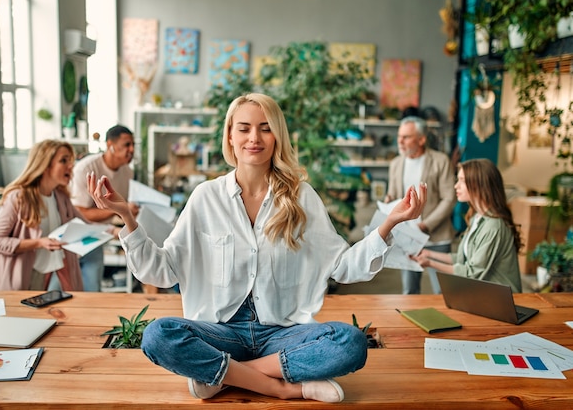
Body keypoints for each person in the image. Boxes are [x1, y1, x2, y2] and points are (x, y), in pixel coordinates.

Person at [86, 93, 427, 403]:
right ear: (230, 136)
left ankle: (227, 375)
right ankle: (284, 387)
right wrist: (126, 217)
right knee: (158, 336)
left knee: (350, 343)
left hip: (281, 333)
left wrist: (389, 224)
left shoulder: (301, 197)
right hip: (220, 331)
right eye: (245, 128)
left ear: (277, 136)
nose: (254, 138)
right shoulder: (206, 198)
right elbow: (161, 271)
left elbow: (342, 266)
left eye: (265, 128)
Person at [411, 158, 523, 293]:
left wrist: (430, 263)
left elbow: (471, 273)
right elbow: (461, 259)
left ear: (479, 185)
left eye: (462, 181)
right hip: (485, 296)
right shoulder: (477, 217)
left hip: (502, 301)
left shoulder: (493, 226)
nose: (455, 186)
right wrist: (428, 253)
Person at [0, 139, 84, 291]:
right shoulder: (19, 197)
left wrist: (116, 229)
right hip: (21, 278)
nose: (71, 166)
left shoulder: (60, 197)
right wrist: (39, 243)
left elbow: (84, 223)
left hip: (48, 274)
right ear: (45, 165)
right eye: (63, 160)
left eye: (71, 160)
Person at [385, 116, 456, 294]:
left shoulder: (441, 161)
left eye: (406, 137)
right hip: (407, 237)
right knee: (409, 291)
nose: (400, 141)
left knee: (443, 292)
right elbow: (393, 194)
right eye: (399, 136)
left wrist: (426, 225)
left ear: (422, 139)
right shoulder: (395, 164)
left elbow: (449, 198)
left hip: (437, 236)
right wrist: (388, 200)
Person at [70, 124, 139, 291]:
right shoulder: (86, 168)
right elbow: (80, 212)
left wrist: (130, 210)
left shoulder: (128, 172)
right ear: (110, 145)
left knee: (93, 287)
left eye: (133, 145)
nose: (131, 150)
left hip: (104, 234)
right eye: (126, 145)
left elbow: (124, 208)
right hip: (78, 236)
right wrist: (118, 209)